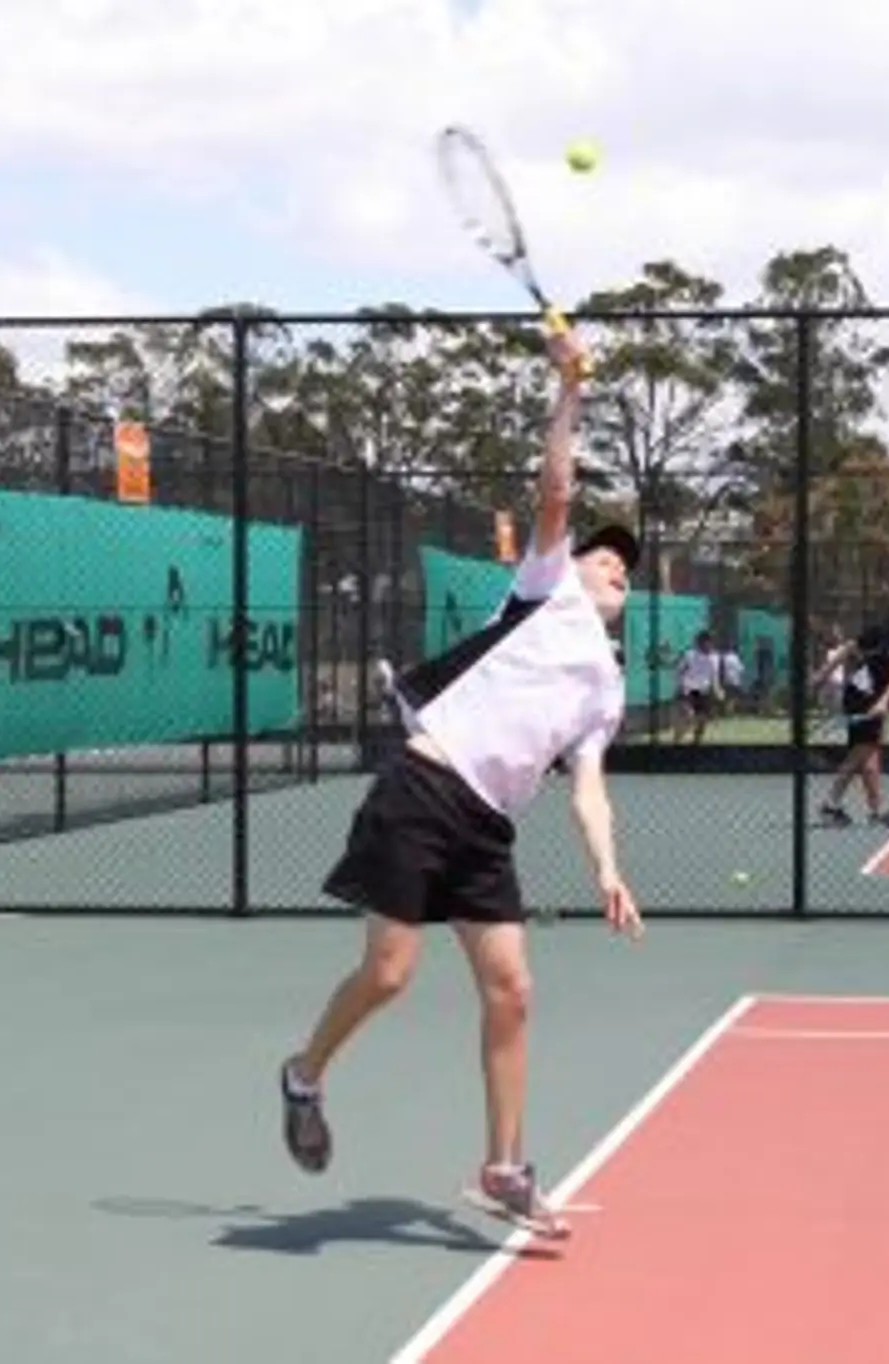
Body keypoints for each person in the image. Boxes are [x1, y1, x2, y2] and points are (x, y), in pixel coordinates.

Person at [275, 327, 642, 1241]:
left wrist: (607, 868)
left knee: (512, 989)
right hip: (423, 788)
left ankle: (504, 1167)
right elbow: (556, 489)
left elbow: (587, 788)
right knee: (391, 974)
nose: (614, 567)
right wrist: (569, 390)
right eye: (605, 557)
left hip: (486, 827)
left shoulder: (608, 686)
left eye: (626, 568)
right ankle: (304, 1074)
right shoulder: (544, 590)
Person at [816, 592, 889, 827]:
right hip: (857, 694)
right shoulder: (879, 632)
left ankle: (876, 810)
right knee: (861, 753)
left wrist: (886, 701)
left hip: (876, 698)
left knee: (870, 754)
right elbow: (847, 649)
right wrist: (822, 675)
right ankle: (830, 804)